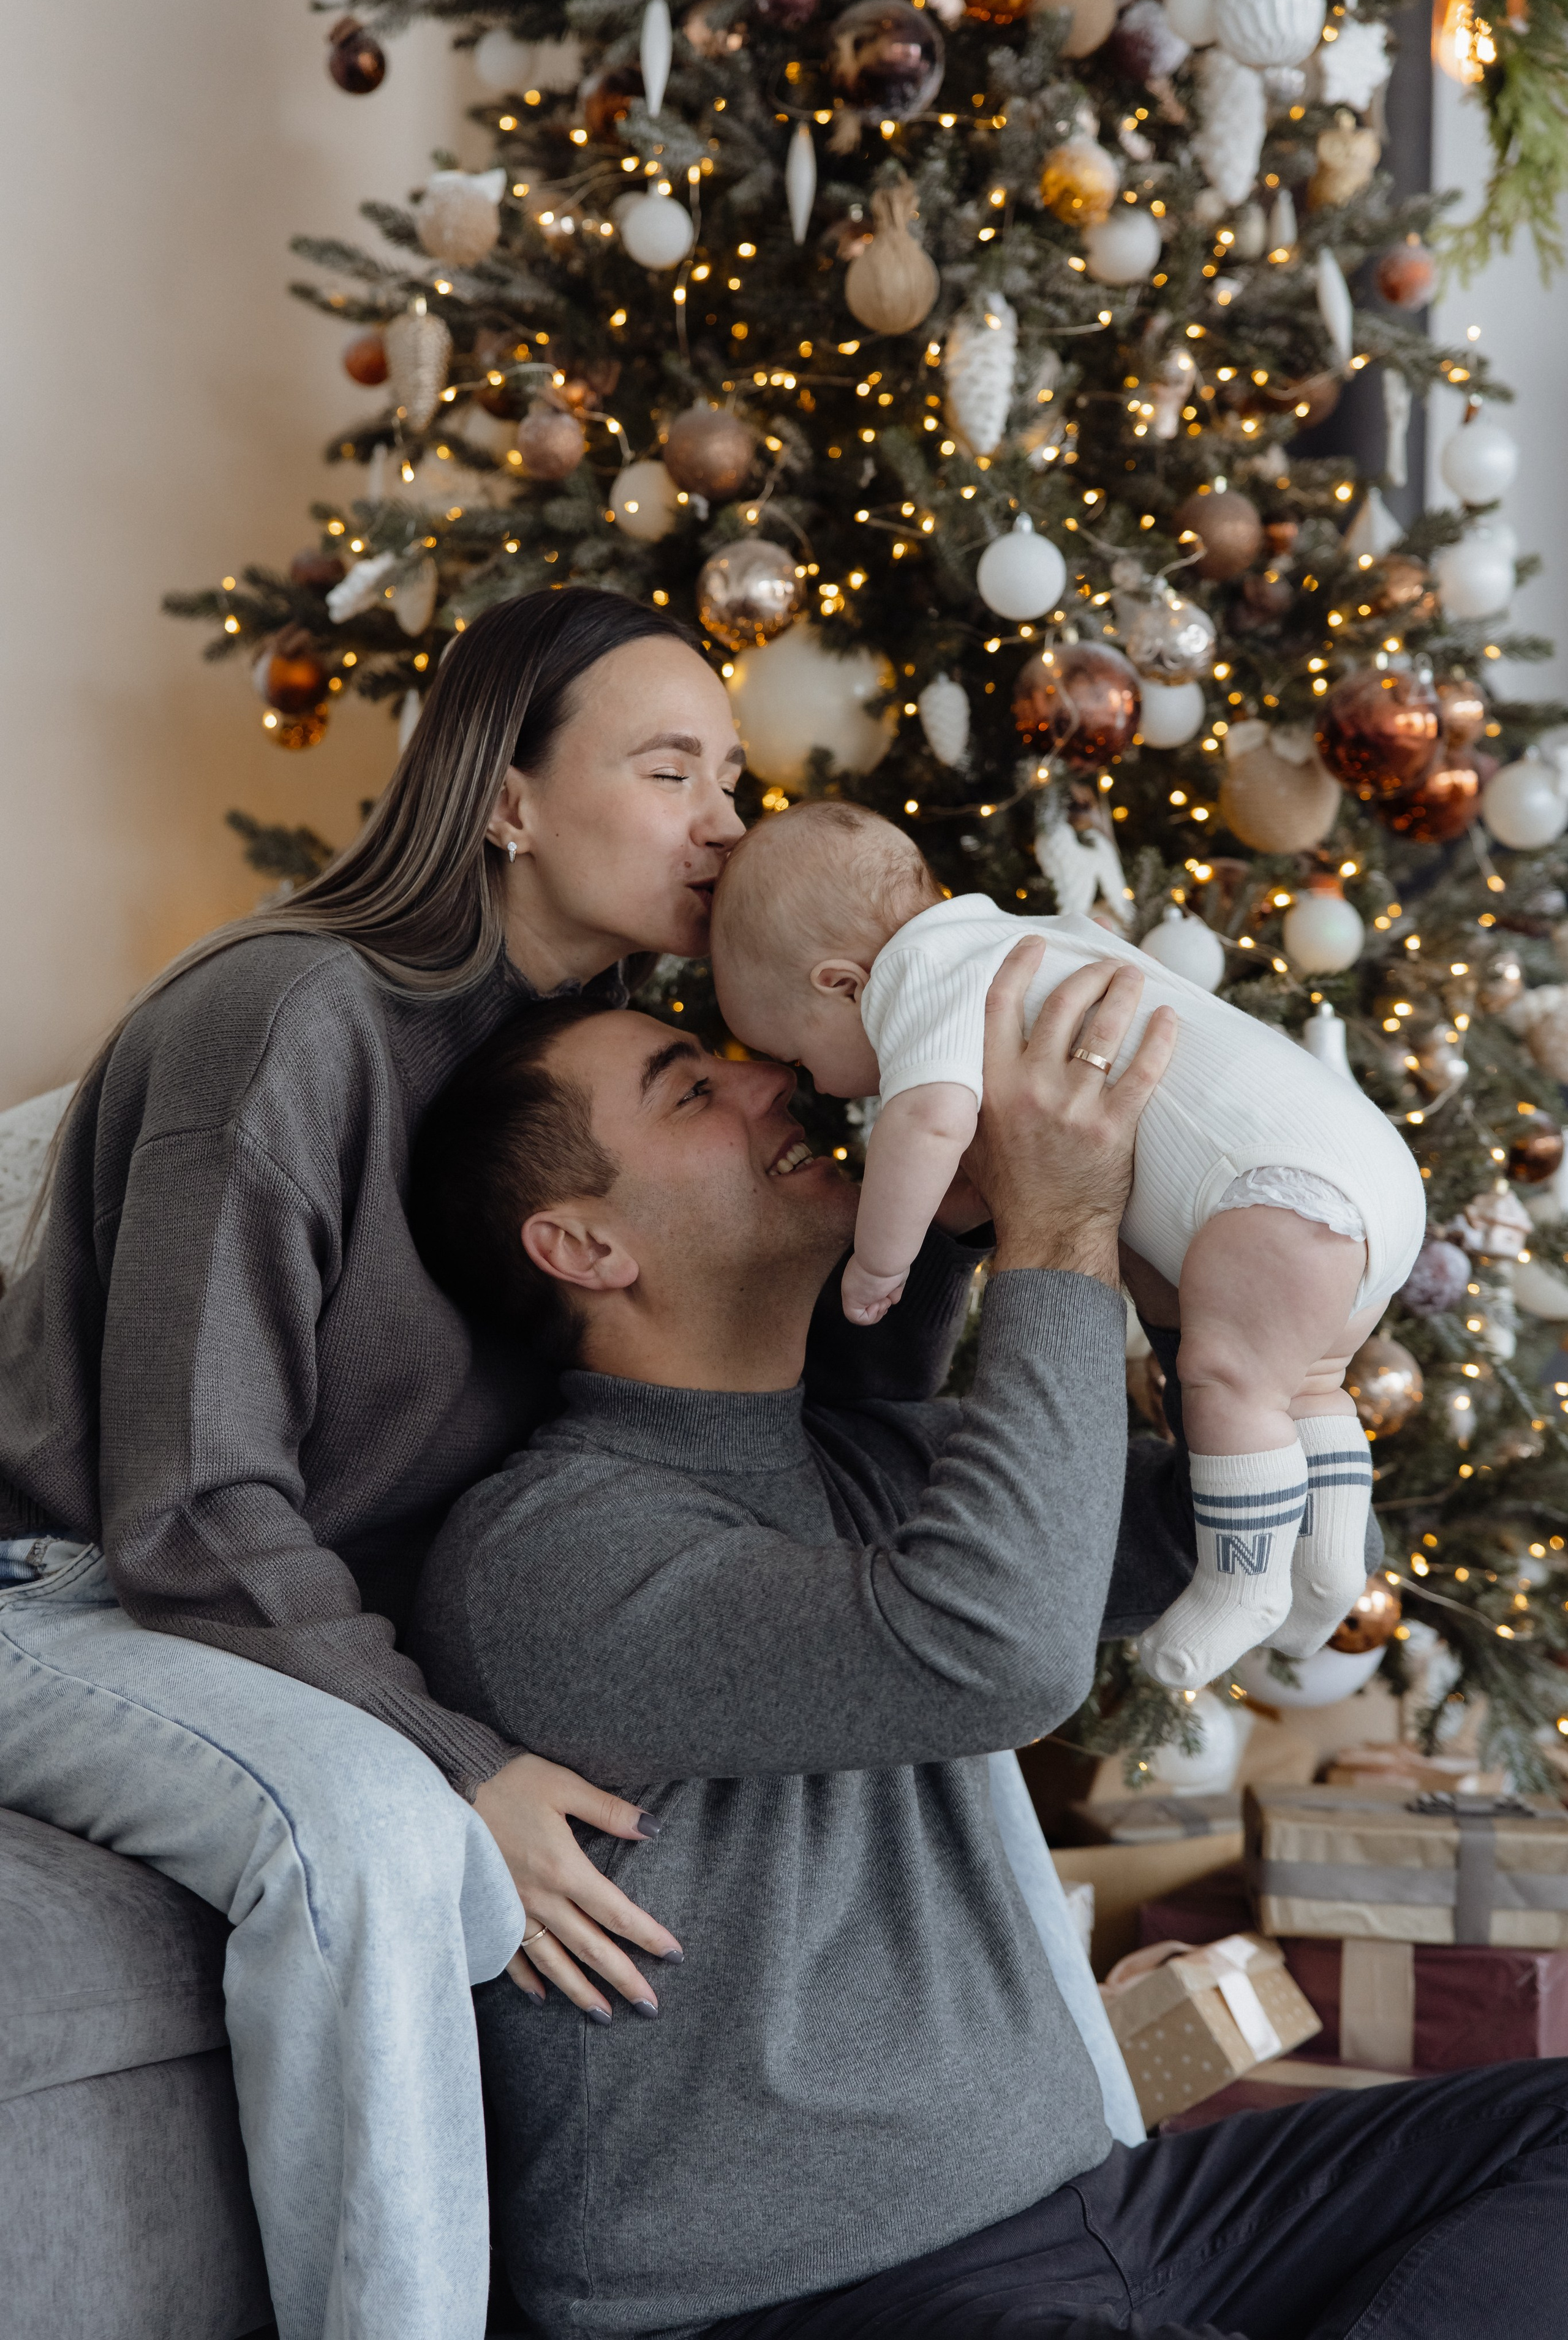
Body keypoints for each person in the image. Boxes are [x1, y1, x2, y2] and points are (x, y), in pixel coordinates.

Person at [410, 960, 1567, 2340]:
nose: (769, 1079)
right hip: (821, 2296)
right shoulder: (549, 1551)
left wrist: (1216, 1269)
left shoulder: (858, 1457)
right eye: (691, 1092)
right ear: (584, 1247)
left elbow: (1196, 1531)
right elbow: (996, 1651)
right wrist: (1052, 1220)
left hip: (1098, 2204)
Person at [0, 589, 753, 2340]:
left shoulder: (576, 1087)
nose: (728, 820)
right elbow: (187, 1497)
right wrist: (444, 1752)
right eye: (669, 768)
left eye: (735, 774)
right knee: (371, 1837)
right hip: (67, 1596)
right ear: (504, 797)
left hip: (245, 1625)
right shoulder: (288, 1016)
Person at [709, 800, 1427, 1688]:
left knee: (1227, 1382)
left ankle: (1244, 1582)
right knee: (1307, 1384)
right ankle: (1327, 1569)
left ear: (841, 984)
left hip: (1273, 1193)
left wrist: (881, 1260)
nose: (809, 1084)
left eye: (802, 1058)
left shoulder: (918, 977)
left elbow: (929, 1121)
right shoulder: (1029, 934)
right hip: (1361, 1167)